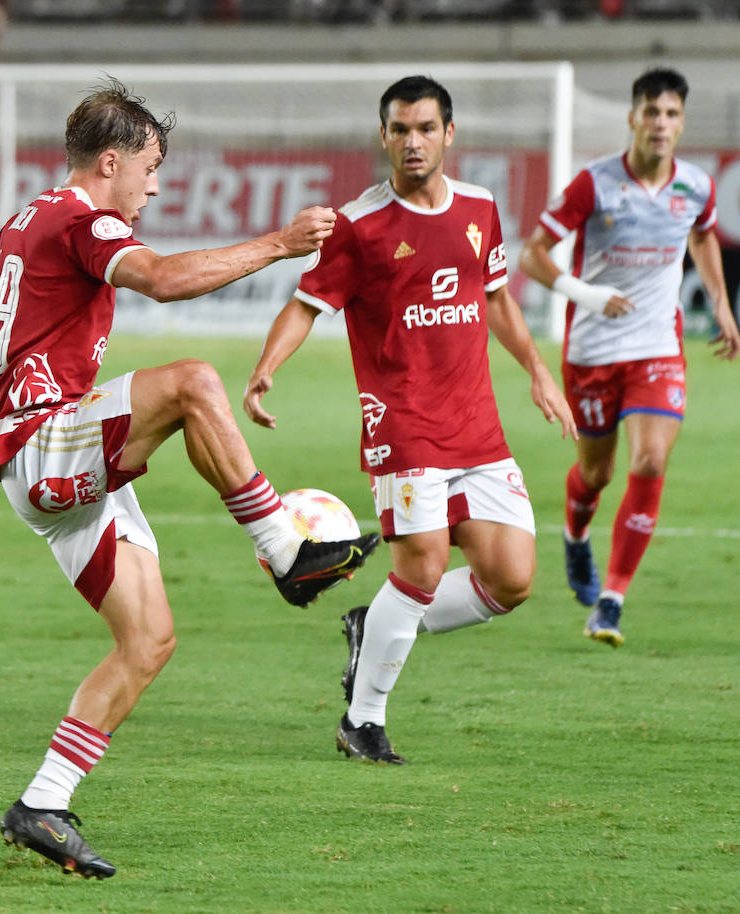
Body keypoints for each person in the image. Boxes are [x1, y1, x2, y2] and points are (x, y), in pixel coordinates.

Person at [0, 79, 380, 878]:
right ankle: (284, 552)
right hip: (47, 442)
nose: (154, 186)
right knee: (192, 382)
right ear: (109, 162)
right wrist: (280, 245)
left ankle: (42, 804)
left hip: (48, 467)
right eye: (150, 168)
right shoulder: (84, 219)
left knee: (148, 642)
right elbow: (163, 279)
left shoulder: (22, 221)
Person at [244, 75, 578, 765]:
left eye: (426, 128)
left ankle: (375, 623)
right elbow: (307, 304)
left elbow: (497, 299)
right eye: (400, 129)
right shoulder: (359, 225)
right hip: (401, 420)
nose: (413, 142)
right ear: (384, 136)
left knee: (511, 579)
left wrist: (539, 371)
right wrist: (265, 368)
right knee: (422, 565)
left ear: (449, 134)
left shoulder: (481, 208)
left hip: (476, 425)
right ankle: (362, 721)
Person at [518, 67, 739, 647]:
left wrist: (720, 303)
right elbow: (532, 255)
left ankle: (611, 601)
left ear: (681, 123)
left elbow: (704, 235)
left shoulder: (696, 185)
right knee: (597, 473)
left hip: (656, 348)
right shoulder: (595, 184)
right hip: (592, 350)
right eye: (651, 112)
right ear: (633, 118)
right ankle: (574, 532)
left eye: (670, 114)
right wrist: (586, 294)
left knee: (648, 463)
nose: (660, 124)